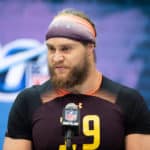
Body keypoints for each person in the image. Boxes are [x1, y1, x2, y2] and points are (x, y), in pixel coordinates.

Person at [3, 8, 150, 150]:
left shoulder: (128, 101)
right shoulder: (29, 102)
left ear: (90, 48)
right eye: (51, 49)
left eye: (66, 49)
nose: (56, 58)